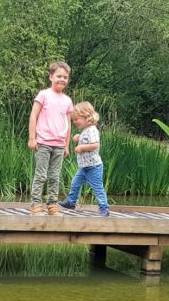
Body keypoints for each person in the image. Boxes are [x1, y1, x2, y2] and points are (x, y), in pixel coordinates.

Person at [27, 61, 74, 216]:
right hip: (43, 142)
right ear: (51, 77)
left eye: (65, 77)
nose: (62, 79)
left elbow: (68, 123)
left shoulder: (67, 100)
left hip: (59, 145)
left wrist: (67, 145)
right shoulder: (44, 95)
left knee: (55, 176)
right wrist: (32, 138)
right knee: (41, 175)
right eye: (59, 76)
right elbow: (33, 115)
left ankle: (52, 205)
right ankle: (36, 205)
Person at [59, 102, 109, 217]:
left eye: (77, 119)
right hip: (84, 167)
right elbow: (86, 139)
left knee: (97, 188)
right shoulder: (86, 130)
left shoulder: (92, 130)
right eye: (74, 120)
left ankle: (104, 208)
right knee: (75, 183)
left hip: (94, 167)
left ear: (87, 117)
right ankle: (71, 202)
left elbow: (95, 145)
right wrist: (79, 138)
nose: (75, 122)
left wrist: (81, 147)